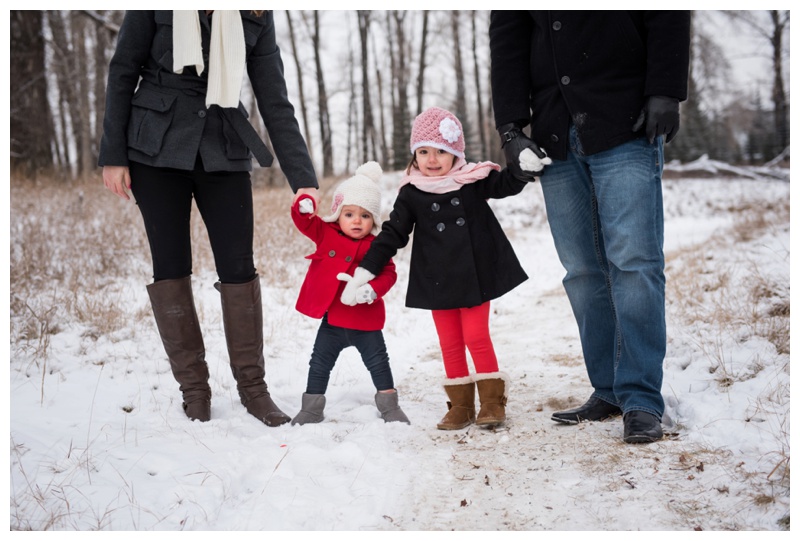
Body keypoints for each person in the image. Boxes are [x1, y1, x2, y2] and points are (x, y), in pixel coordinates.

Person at [98, 11, 318, 426]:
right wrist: (113, 155)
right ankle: (194, 391)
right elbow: (123, 68)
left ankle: (254, 390)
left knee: (239, 268)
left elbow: (274, 97)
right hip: (155, 149)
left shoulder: (256, 11)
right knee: (170, 267)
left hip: (224, 146)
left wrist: (303, 178)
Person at [489, 12, 691, 443]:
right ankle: (608, 388)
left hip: (627, 115)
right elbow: (508, 36)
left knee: (634, 262)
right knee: (582, 269)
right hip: (553, 128)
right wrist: (510, 129)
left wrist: (666, 89)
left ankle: (639, 398)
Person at [340, 107, 538, 430]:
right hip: (437, 279)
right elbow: (393, 233)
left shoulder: (471, 180)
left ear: (456, 152)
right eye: (423, 152)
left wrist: (521, 169)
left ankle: (491, 402)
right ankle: (460, 405)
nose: (432, 160)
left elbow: (503, 184)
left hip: (475, 274)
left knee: (475, 336)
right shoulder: (412, 192)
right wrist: (366, 270)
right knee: (449, 341)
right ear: (414, 155)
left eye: (441, 152)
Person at [289, 162, 410, 425]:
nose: (357, 221)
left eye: (365, 216)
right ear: (337, 215)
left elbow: (389, 273)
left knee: (379, 363)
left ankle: (389, 407)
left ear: (374, 220)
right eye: (350, 214)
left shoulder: (377, 246)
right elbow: (305, 223)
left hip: (365, 322)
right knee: (319, 363)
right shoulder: (326, 233)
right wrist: (304, 204)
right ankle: (311, 408)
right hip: (332, 321)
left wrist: (372, 290)